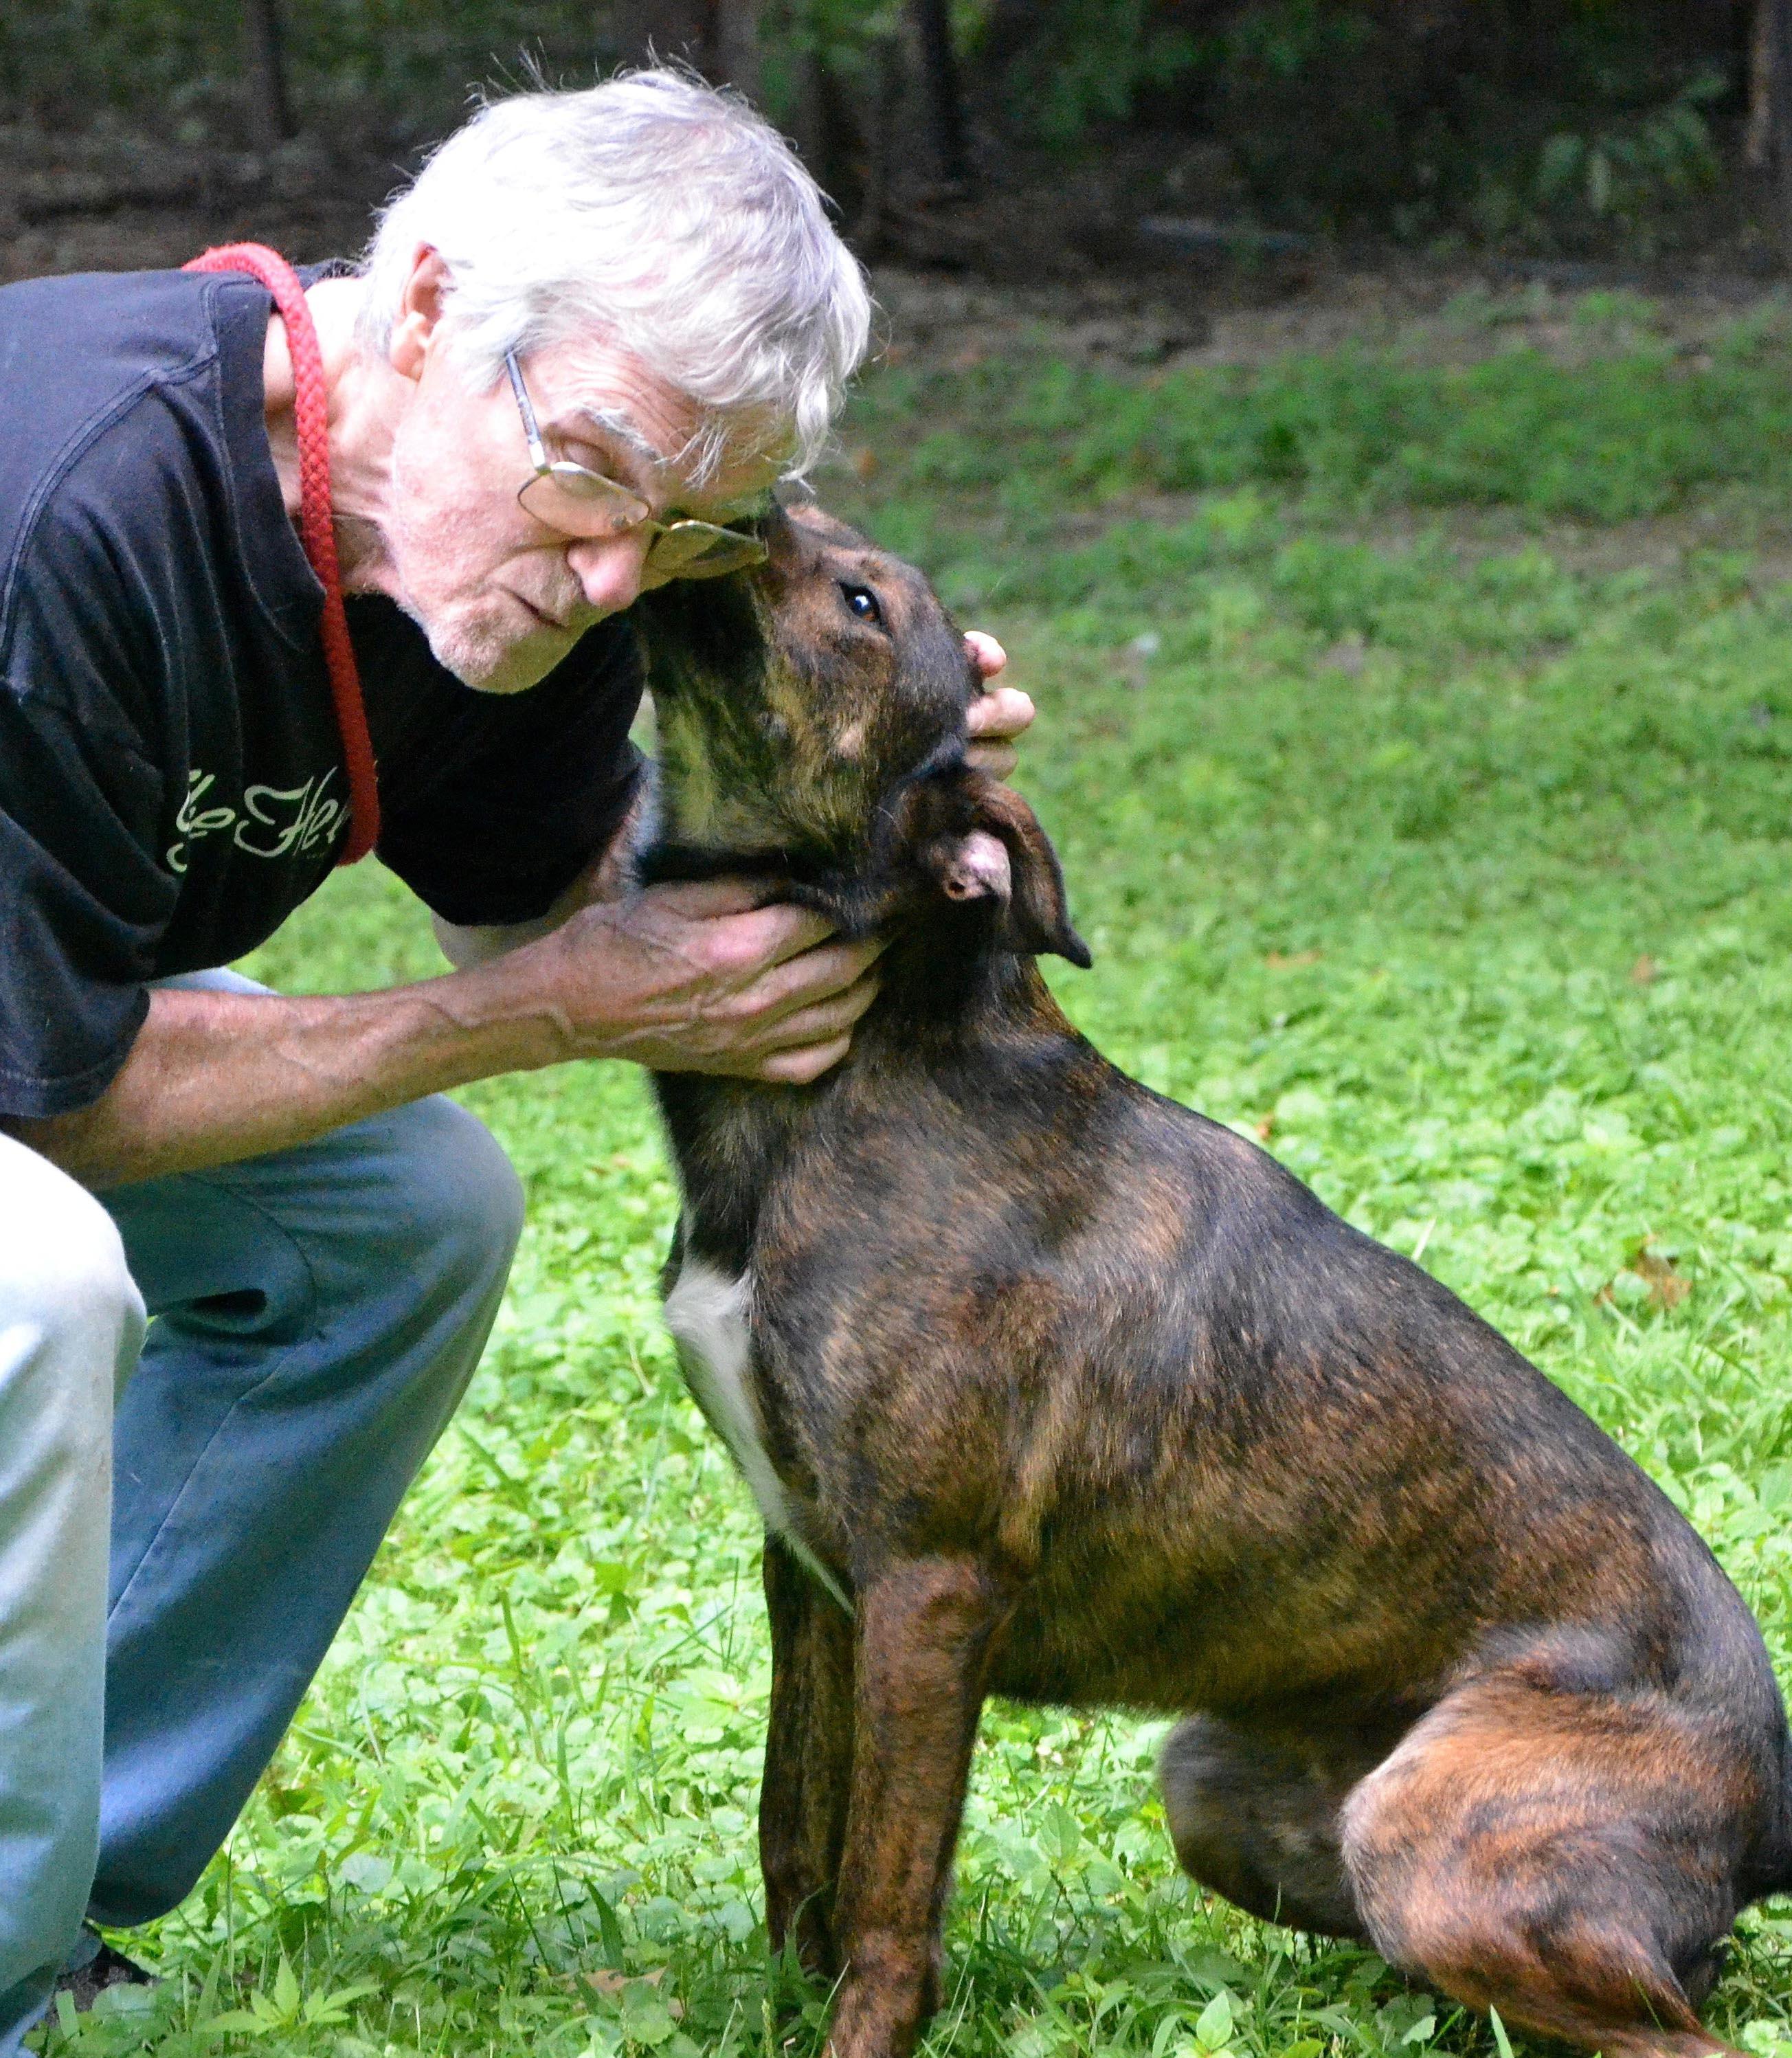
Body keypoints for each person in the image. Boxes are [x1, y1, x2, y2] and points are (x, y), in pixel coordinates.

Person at [0, 69, 1031, 2048]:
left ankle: (57, 1883)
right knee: (37, 1277)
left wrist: (872, 784)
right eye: (593, 470)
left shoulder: (506, 569)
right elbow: (58, 1109)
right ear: (421, 311)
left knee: (411, 1213)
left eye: (691, 520)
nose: (623, 575)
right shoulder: (75, 512)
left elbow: (562, 910)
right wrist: (538, 1015)